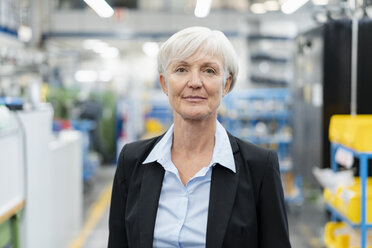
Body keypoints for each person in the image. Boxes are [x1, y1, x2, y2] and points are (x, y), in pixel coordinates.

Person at [108, 26, 291, 248]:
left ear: (226, 84)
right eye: (182, 69)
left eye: (209, 71)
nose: (195, 82)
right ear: (165, 83)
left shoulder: (259, 168)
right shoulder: (132, 161)